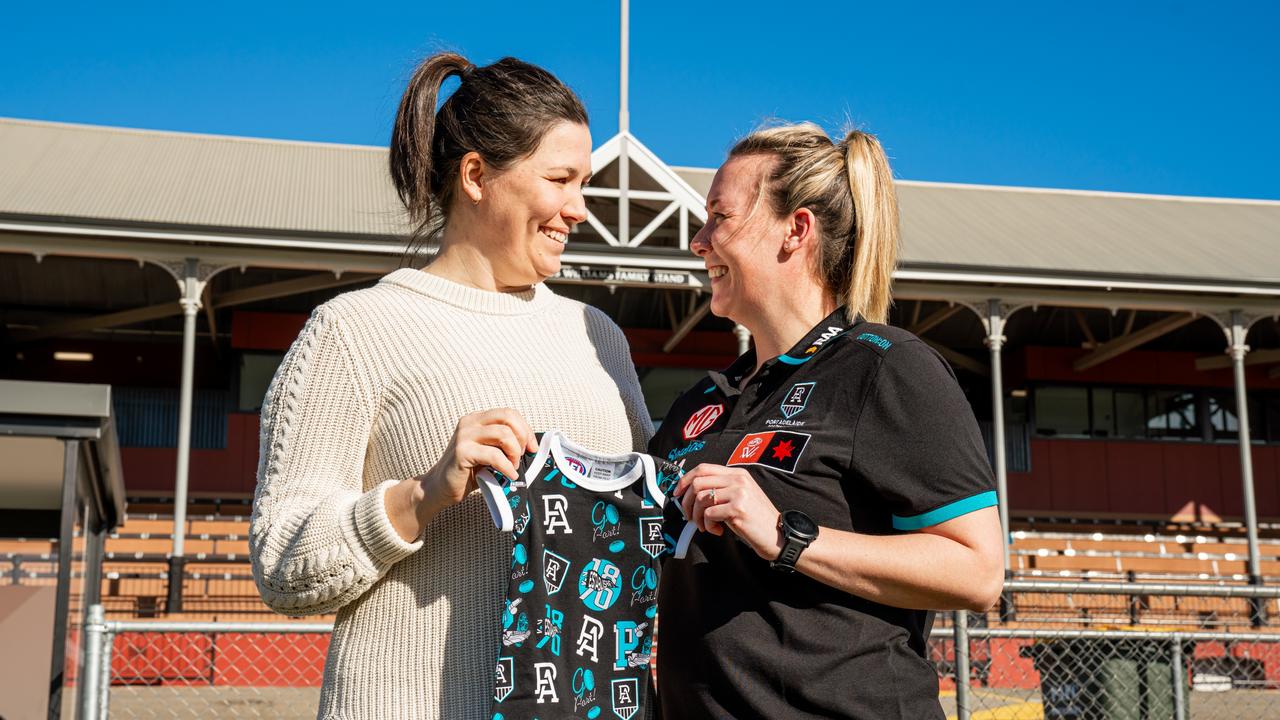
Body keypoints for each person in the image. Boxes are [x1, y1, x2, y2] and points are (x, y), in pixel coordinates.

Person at [249, 52, 652, 720]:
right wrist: (426, 492)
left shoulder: (599, 335)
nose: (579, 210)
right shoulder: (353, 330)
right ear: (476, 176)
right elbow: (283, 568)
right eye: (561, 180)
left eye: (585, 183)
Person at [649, 123, 1005, 719]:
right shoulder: (700, 402)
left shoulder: (886, 367)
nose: (699, 240)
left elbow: (977, 570)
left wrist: (787, 536)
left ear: (797, 229)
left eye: (719, 216)